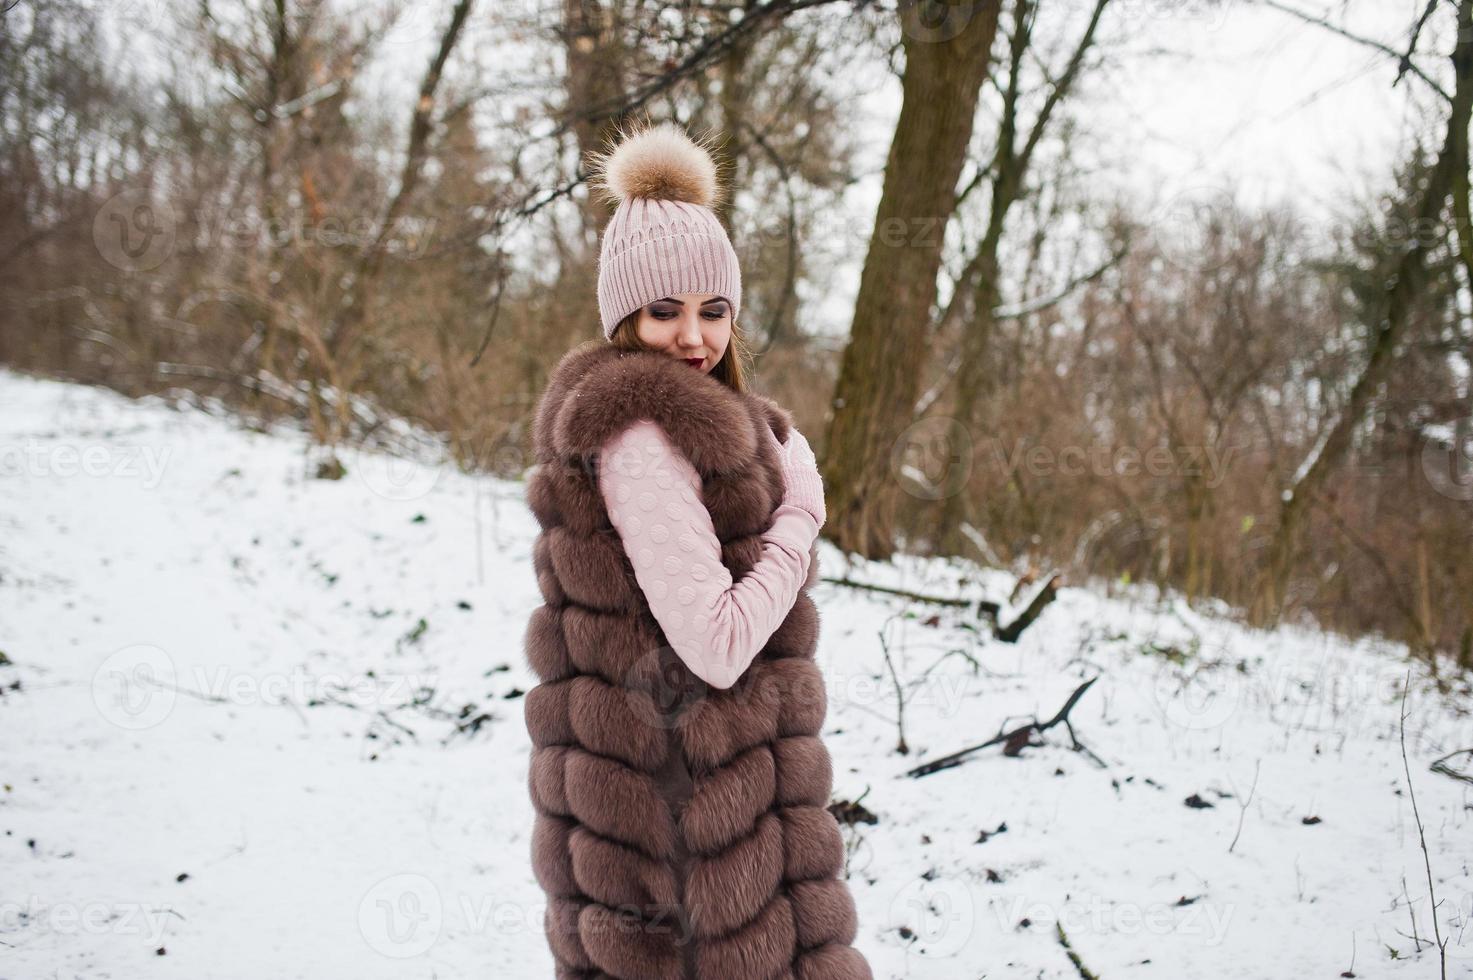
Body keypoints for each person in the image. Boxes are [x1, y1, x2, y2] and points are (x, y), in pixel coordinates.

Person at [522, 120, 872, 979]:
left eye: (713, 311)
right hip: (688, 837)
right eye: (664, 311)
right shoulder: (643, 437)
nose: (694, 337)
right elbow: (715, 645)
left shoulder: (693, 427)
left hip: (704, 814)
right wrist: (800, 519)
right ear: (622, 316)